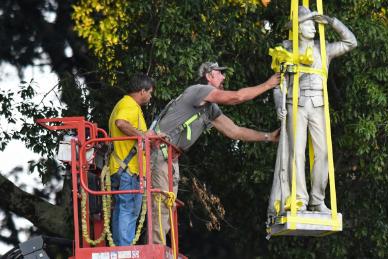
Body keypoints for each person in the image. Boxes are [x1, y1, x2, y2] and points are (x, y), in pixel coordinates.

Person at [150, 61, 281, 244]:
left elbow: (235, 131)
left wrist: (269, 137)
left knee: (167, 204)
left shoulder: (209, 108)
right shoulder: (199, 90)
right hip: (159, 153)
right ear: (209, 76)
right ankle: (156, 250)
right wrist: (268, 85)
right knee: (162, 204)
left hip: (169, 158)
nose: (224, 77)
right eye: (220, 73)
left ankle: (159, 247)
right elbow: (237, 97)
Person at [268, 6, 357, 217]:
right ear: (298, 28)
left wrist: (332, 22)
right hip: (295, 104)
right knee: (296, 153)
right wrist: (278, 104)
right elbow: (277, 85)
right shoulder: (287, 50)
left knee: (323, 153)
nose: (313, 28)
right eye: (308, 24)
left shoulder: (323, 48)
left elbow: (351, 42)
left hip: (317, 104)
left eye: (313, 24)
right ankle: (299, 200)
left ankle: (318, 200)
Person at [108, 73, 156, 246]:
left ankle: (122, 247)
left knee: (123, 209)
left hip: (124, 168)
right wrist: (143, 135)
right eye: (150, 92)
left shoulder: (124, 104)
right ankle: (125, 250)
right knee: (128, 209)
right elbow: (121, 123)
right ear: (142, 91)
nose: (150, 96)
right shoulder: (129, 105)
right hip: (128, 170)